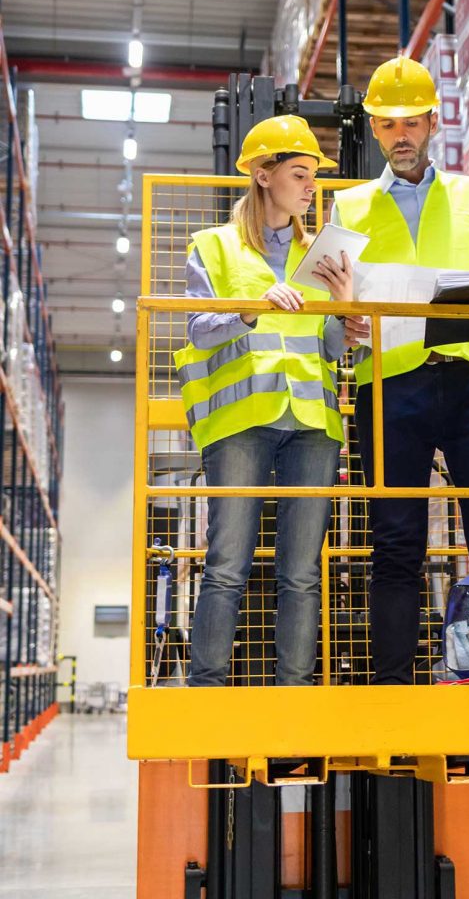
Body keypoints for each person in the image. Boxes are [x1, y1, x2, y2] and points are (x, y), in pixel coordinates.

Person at [332, 56, 469, 685]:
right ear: (374, 131)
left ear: (433, 121)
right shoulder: (348, 210)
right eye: (386, 124)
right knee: (395, 541)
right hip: (390, 382)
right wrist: (343, 324)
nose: (399, 135)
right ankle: (393, 687)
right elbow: (335, 307)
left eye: (410, 122)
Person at [175, 115, 352, 687]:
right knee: (227, 564)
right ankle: (208, 689)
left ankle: (294, 694)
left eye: (314, 178)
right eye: (300, 174)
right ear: (260, 175)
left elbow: (330, 348)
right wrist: (249, 306)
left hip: (312, 423)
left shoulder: (322, 254)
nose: (310, 187)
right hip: (242, 424)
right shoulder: (215, 247)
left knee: (302, 573)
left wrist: (347, 311)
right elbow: (198, 328)